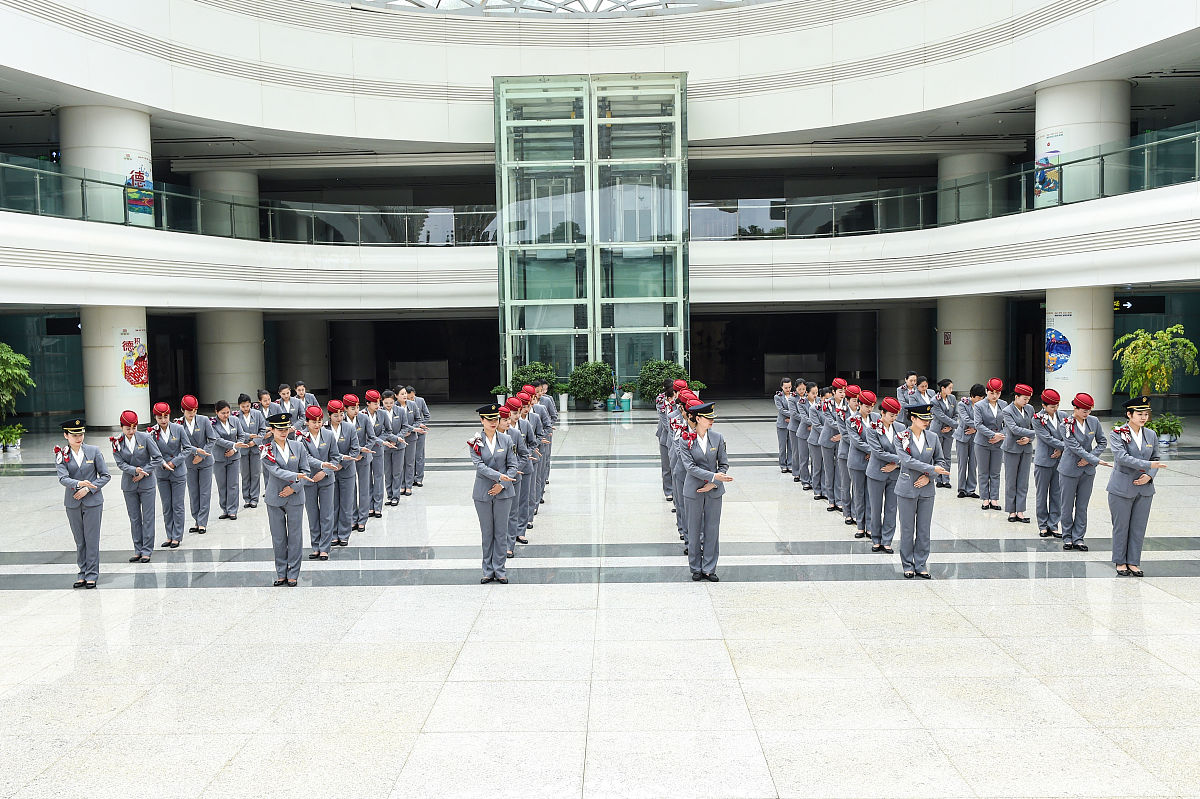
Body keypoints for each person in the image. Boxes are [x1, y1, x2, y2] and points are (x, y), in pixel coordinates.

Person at [1107, 396, 1166, 577]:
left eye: (1146, 414)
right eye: (1139, 414)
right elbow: (1122, 458)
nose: (1143, 417)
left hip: (1145, 488)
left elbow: (1155, 458)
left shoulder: (1151, 435)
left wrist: (1149, 475)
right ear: (1129, 414)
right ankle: (1120, 561)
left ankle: (1133, 561)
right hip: (1122, 487)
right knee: (1121, 526)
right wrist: (1148, 466)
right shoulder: (1117, 434)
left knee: (1139, 527)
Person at [895, 403, 951, 578]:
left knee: (924, 529)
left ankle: (920, 563)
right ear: (913, 418)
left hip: (927, 489)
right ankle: (907, 564)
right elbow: (907, 461)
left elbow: (941, 461)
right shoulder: (902, 437)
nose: (926, 422)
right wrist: (931, 469)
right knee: (907, 528)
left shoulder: (933, 437)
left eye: (928, 419)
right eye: (922, 419)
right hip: (907, 488)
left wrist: (930, 476)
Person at [56, 418, 111, 588]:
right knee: (80, 540)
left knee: (92, 539)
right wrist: (80, 484)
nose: (78, 438)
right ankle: (82, 572)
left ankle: (92, 574)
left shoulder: (93, 451)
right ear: (66, 435)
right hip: (72, 503)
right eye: (74, 435)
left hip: (93, 501)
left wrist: (88, 488)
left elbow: (105, 475)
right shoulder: (62, 454)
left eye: (81, 434)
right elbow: (63, 478)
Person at [679, 401, 732, 582]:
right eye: (708, 418)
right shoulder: (685, 439)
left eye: (712, 418)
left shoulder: (717, 437)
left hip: (714, 491)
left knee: (712, 529)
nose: (712, 421)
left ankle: (709, 568)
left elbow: (723, 464)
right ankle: (695, 567)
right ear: (698, 418)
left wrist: (715, 482)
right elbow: (690, 467)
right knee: (693, 530)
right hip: (694, 490)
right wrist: (713, 477)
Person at [260, 412, 315, 586]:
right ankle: (281, 572)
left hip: (295, 496)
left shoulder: (298, 447)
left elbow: (306, 472)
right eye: (279, 429)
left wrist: (293, 487)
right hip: (275, 497)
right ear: (272, 430)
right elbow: (275, 470)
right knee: (278, 537)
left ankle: (293, 573)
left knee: (295, 536)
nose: (283, 432)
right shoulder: (267, 449)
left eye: (285, 428)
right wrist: (295, 475)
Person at [470, 403, 519, 584]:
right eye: (489, 419)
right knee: (487, 532)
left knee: (501, 532)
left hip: (504, 493)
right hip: (483, 492)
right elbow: (480, 466)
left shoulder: (506, 440)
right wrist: (500, 477)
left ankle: (500, 569)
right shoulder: (475, 442)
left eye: (495, 419)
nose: (493, 422)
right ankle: (487, 570)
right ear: (482, 420)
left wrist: (502, 484)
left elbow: (513, 465)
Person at [110, 409, 162, 563]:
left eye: (134, 428)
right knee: (134, 518)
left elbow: (157, 458)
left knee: (148, 517)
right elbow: (120, 463)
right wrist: (134, 470)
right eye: (128, 428)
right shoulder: (117, 442)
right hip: (129, 485)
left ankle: (147, 550)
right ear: (121, 427)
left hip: (147, 483)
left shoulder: (145, 437)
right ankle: (137, 549)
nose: (131, 431)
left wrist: (143, 471)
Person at [1058, 392, 1108, 551]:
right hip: (1069, 469)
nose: (1087, 413)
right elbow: (1073, 446)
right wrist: (1092, 459)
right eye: (1084, 410)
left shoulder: (1094, 422)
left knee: (1082, 505)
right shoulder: (1066, 423)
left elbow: (1102, 442)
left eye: (1089, 410)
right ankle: (1067, 536)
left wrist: (1090, 458)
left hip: (1087, 470)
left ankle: (1078, 537)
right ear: (1075, 408)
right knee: (1067, 505)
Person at [300, 404, 340, 561]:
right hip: (310, 479)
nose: (317, 425)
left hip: (326, 479)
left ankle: (325, 547)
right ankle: (315, 546)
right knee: (312, 514)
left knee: (326, 514)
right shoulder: (301, 437)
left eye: (319, 422)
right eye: (313, 422)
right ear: (307, 422)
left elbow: (335, 457)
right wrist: (321, 465)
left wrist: (325, 471)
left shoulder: (329, 435)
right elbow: (305, 457)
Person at [150, 402, 193, 548]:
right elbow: (152, 453)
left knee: (178, 505)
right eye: (160, 417)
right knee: (167, 505)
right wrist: (162, 462)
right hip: (162, 473)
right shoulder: (152, 433)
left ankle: (177, 536)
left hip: (178, 471)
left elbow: (187, 448)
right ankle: (169, 534)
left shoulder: (178, 428)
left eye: (166, 416)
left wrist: (175, 462)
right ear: (155, 417)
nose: (163, 420)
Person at [866, 396, 905, 554]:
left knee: (891, 508)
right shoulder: (872, 428)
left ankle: (887, 540)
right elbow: (877, 452)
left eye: (896, 415)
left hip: (894, 474)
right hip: (877, 473)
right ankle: (876, 538)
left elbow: (905, 450)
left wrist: (896, 464)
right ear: (882, 413)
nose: (894, 418)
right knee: (876, 508)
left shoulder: (901, 428)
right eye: (891, 415)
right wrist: (898, 460)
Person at [178, 394, 216, 534]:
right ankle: (196, 519)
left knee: (205, 492)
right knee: (194, 492)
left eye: (194, 410)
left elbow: (212, 439)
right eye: (189, 411)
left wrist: (201, 455)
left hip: (205, 461)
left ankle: (202, 522)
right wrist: (194, 452)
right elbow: (180, 444)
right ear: (183, 410)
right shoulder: (178, 424)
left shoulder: (204, 420)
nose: (192, 414)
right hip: (189, 462)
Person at [1032, 389, 1067, 537]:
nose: (1055, 409)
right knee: (1041, 494)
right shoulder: (1037, 418)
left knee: (1056, 494)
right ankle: (1042, 525)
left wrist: (1062, 450)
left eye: (1057, 406)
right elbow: (1046, 437)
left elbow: (1068, 435)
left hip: (1059, 461)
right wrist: (1062, 447)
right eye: (1052, 406)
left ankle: (1054, 524)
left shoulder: (1063, 416)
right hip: (1043, 461)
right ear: (1044, 405)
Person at [326, 399, 360, 547]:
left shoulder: (349, 428)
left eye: (341, 415)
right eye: (335, 416)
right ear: (329, 415)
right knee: (332, 504)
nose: (339, 418)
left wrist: (342, 464)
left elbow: (355, 449)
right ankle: (333, 533)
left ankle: (344, 533)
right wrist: (333, 465)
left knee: (346, 504)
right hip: (330, 471)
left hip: (347, 471)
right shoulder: (324, 430)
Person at [497, 403, 528, 559]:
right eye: (505, 420)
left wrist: (516, 469)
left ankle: (510, 546)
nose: (509, 422)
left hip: (514, 479)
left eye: (509, 419)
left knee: (512, 513)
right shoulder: (489, 436)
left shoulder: (515, 434)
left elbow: (523, 454)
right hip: (496, 481)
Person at [210, 400, 250, 522]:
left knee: (233, 484)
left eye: (228, 412)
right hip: (219, 458)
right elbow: (217, 439)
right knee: (222, 485)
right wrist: (234, 444)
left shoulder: (235, 420)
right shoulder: (212, 424)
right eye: (223, 413)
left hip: (234, 456)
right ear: (216, 412)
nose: (226, 415)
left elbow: (241, 435)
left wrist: (235, 449)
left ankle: (232, 510)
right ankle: (225, 509)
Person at [1001, 383, 1035, 524]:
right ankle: (1011, 510)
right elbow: (1014, 429)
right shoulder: (1007, 410)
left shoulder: (1030, 409)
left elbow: (1034, 426)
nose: (1026, 402)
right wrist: (1035, 433)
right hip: (1011, 449)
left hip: (1026, 449)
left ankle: (1020, 510)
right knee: (1011, 481)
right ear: (1016, 397)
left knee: (1023, 481)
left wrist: (1030, 438)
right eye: (1024, 399)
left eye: (1028, 399)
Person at [973, 378, 1007, 512]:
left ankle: (994, 498)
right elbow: (978, 424)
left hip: (999, 442)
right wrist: (992, 435)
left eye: (997, 393)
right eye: (992, 393)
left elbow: (1008, 424)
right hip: (982, 442)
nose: (995, 396)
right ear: (987, 392)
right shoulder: (979, 405)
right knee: (983, 472)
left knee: (995, 472)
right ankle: (985, 498)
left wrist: (1000, 436)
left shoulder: (1004, 404)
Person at [847, 390, 877, 539]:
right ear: (859, 405)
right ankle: (860, 526)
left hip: (872, 462)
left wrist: (874, 452)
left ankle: (870, 526)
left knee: (871, 495)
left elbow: (880, 436)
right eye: (866, 406)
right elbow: (856, 440)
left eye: (871, 406)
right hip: (857, 462)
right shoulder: (852, 420)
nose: (869, 409)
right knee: (859, 494)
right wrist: (872, 450)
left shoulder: (876, 418)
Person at [344, 394, 376, 533]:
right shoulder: (341, 420)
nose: (356, 410)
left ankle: (362, 519)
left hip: (363, 458)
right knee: (351, 490)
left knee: (364, 488)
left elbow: (372, 438)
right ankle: (352, 518)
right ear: (345, 409)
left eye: (357, 407)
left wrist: (362, 453)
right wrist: (351, 456)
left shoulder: (363, 418)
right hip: (348, 460)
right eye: (352, 408)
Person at [819, 379, 846, 512]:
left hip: (842, 440)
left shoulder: (848, 404)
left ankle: (839, 499)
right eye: (840, 391)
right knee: (829, 470)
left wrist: (842, 435)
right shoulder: (826, 404)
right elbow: (830, 422)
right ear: (833, 391)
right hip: (828, 439)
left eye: (844, 391)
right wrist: (843, 430)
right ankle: (831, 500)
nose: (843, 394)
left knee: (840, 472)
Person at [378, 389, 409, 504]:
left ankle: (396, 496)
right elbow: (379, 429)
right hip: (385, 446)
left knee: (397, 471)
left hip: (399, 446)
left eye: (391, 403)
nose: (389, 405)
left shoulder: (400, 411)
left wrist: (397, 439)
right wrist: (390, 440)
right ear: (382, 402)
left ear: (394, 401)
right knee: (387, 471)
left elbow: (405, 427)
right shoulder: (380, 412)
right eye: (386, 403)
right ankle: (389, 495)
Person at [237, 393, 267, 509]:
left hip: (255, 448)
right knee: (245, 475)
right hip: (243, 448)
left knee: (255, 474)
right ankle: (246, 498)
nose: (245, 409)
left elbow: (262, 430)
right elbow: (237, 432)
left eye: (248, 406)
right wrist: (247, 439)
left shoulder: (257, 414)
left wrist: (255, 442)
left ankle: (254, 498)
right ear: (239, 405)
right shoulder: (235, 417)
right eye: (243, 406)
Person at [837, 385, 861, 526]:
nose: (857, 403)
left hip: (859, 454)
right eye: (854, 400)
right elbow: (844, 435)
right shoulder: (841, 413)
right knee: (845, 484)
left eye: (858, 400)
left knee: (857, 487)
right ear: (847, 400)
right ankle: (847, 513)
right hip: (846, 452)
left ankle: (857, 512)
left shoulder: (862, 412)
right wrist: (859, 442)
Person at [955, 384, 984, 499]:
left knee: (973, 464)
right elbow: (965, 419)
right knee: (962, 464)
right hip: (963, 437)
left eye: (982, 398)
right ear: (972, 395)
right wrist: (978, 426)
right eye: (978, 397)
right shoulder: (962, 404)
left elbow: (984, 420)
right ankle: (961, 488)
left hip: (976, 437)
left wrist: (976, 429)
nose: (980, 400)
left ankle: (971, 489)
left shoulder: (982, 405)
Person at [656, 379, 683, 500]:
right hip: (666, 434)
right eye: (671, 396)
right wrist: (674, 430)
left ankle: (678, 490)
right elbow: (664, 420)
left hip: (679, 434)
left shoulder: (679, 397)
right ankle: (668, 491)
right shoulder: (660, 400)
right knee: (666, 464)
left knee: (677, 464)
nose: (674, 399)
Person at [365, 389, 389, 516]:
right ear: (368, 403)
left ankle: (378, 505)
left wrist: (378, 440)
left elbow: (387, 431)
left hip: (378, 448)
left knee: (379, 477)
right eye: (375, 403)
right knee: (367, 478)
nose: (377, 405)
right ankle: (369, 505)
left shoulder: (382, 414)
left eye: (378, 402)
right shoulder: (362, 414)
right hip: (366, 450)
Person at [930, 379, 957, 489]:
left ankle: (946, 479)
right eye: (949, 387)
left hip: (948, 431)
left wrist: (951, 427)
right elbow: (941, 416)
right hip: (937, 430)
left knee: (947, 455)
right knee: (937, 455)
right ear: (942, 388)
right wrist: (956, 424)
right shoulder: (934, 401)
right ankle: (938, 478)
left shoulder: (952, 398)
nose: (951, 390)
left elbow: (955, 414)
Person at [396, 387, 420, 496]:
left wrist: (411, 430)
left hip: (411, 437)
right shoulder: (394, 406)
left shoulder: (412, 405)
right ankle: (401, 485)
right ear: (396, 396)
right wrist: (403, 432)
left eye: (405, 393)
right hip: (398, 437)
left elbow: (418, 420)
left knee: (409, 462)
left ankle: (409, 486)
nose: (405, 395)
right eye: (402, 394)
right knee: (399, 463)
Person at [808, 385, 831, 501]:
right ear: (821, 397)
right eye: (826, 399)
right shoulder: (814, 409)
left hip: (828, 442)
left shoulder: (832, 409)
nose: (828, 401)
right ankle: (817, 490)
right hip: (816, 441)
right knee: (817, 466)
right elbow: (816, 426)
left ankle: (825, 489)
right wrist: (829, 433)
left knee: (826, 467)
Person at [407, 385, 431, 487]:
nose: (410, 400)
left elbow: (427, 415)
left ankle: (419, 478)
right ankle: (410, 478)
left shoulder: (420, 401)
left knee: (419, 455)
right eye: (408, 398)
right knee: (409, 457)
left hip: (420, 431)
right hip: (409, 432)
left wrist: (421, 423)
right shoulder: (402, 404)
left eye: (412, 397)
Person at [792, 381, 814, 489]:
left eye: (816, 393)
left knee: (815, 459)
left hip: (815, 433)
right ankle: (805, 480)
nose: (815, 395)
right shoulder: (801, 402)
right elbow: (804, 418)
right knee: (804, 458)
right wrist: (815, 424)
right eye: (813, 393)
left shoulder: (819, 402)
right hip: (804, 433)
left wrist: (815, 426)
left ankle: (815, 481)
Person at [775, 377, 793, 473]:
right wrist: (793, 414)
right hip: (782, 425)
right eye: (786, 387)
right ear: (782, 387)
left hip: (792, 424)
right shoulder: (778, 396)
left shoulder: (794, 396)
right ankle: (782, 464)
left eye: (789, 387)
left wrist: (792, 418)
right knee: (782, 446)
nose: (788, 389)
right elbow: (781, 410)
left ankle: (790, 464)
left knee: (791, 446)